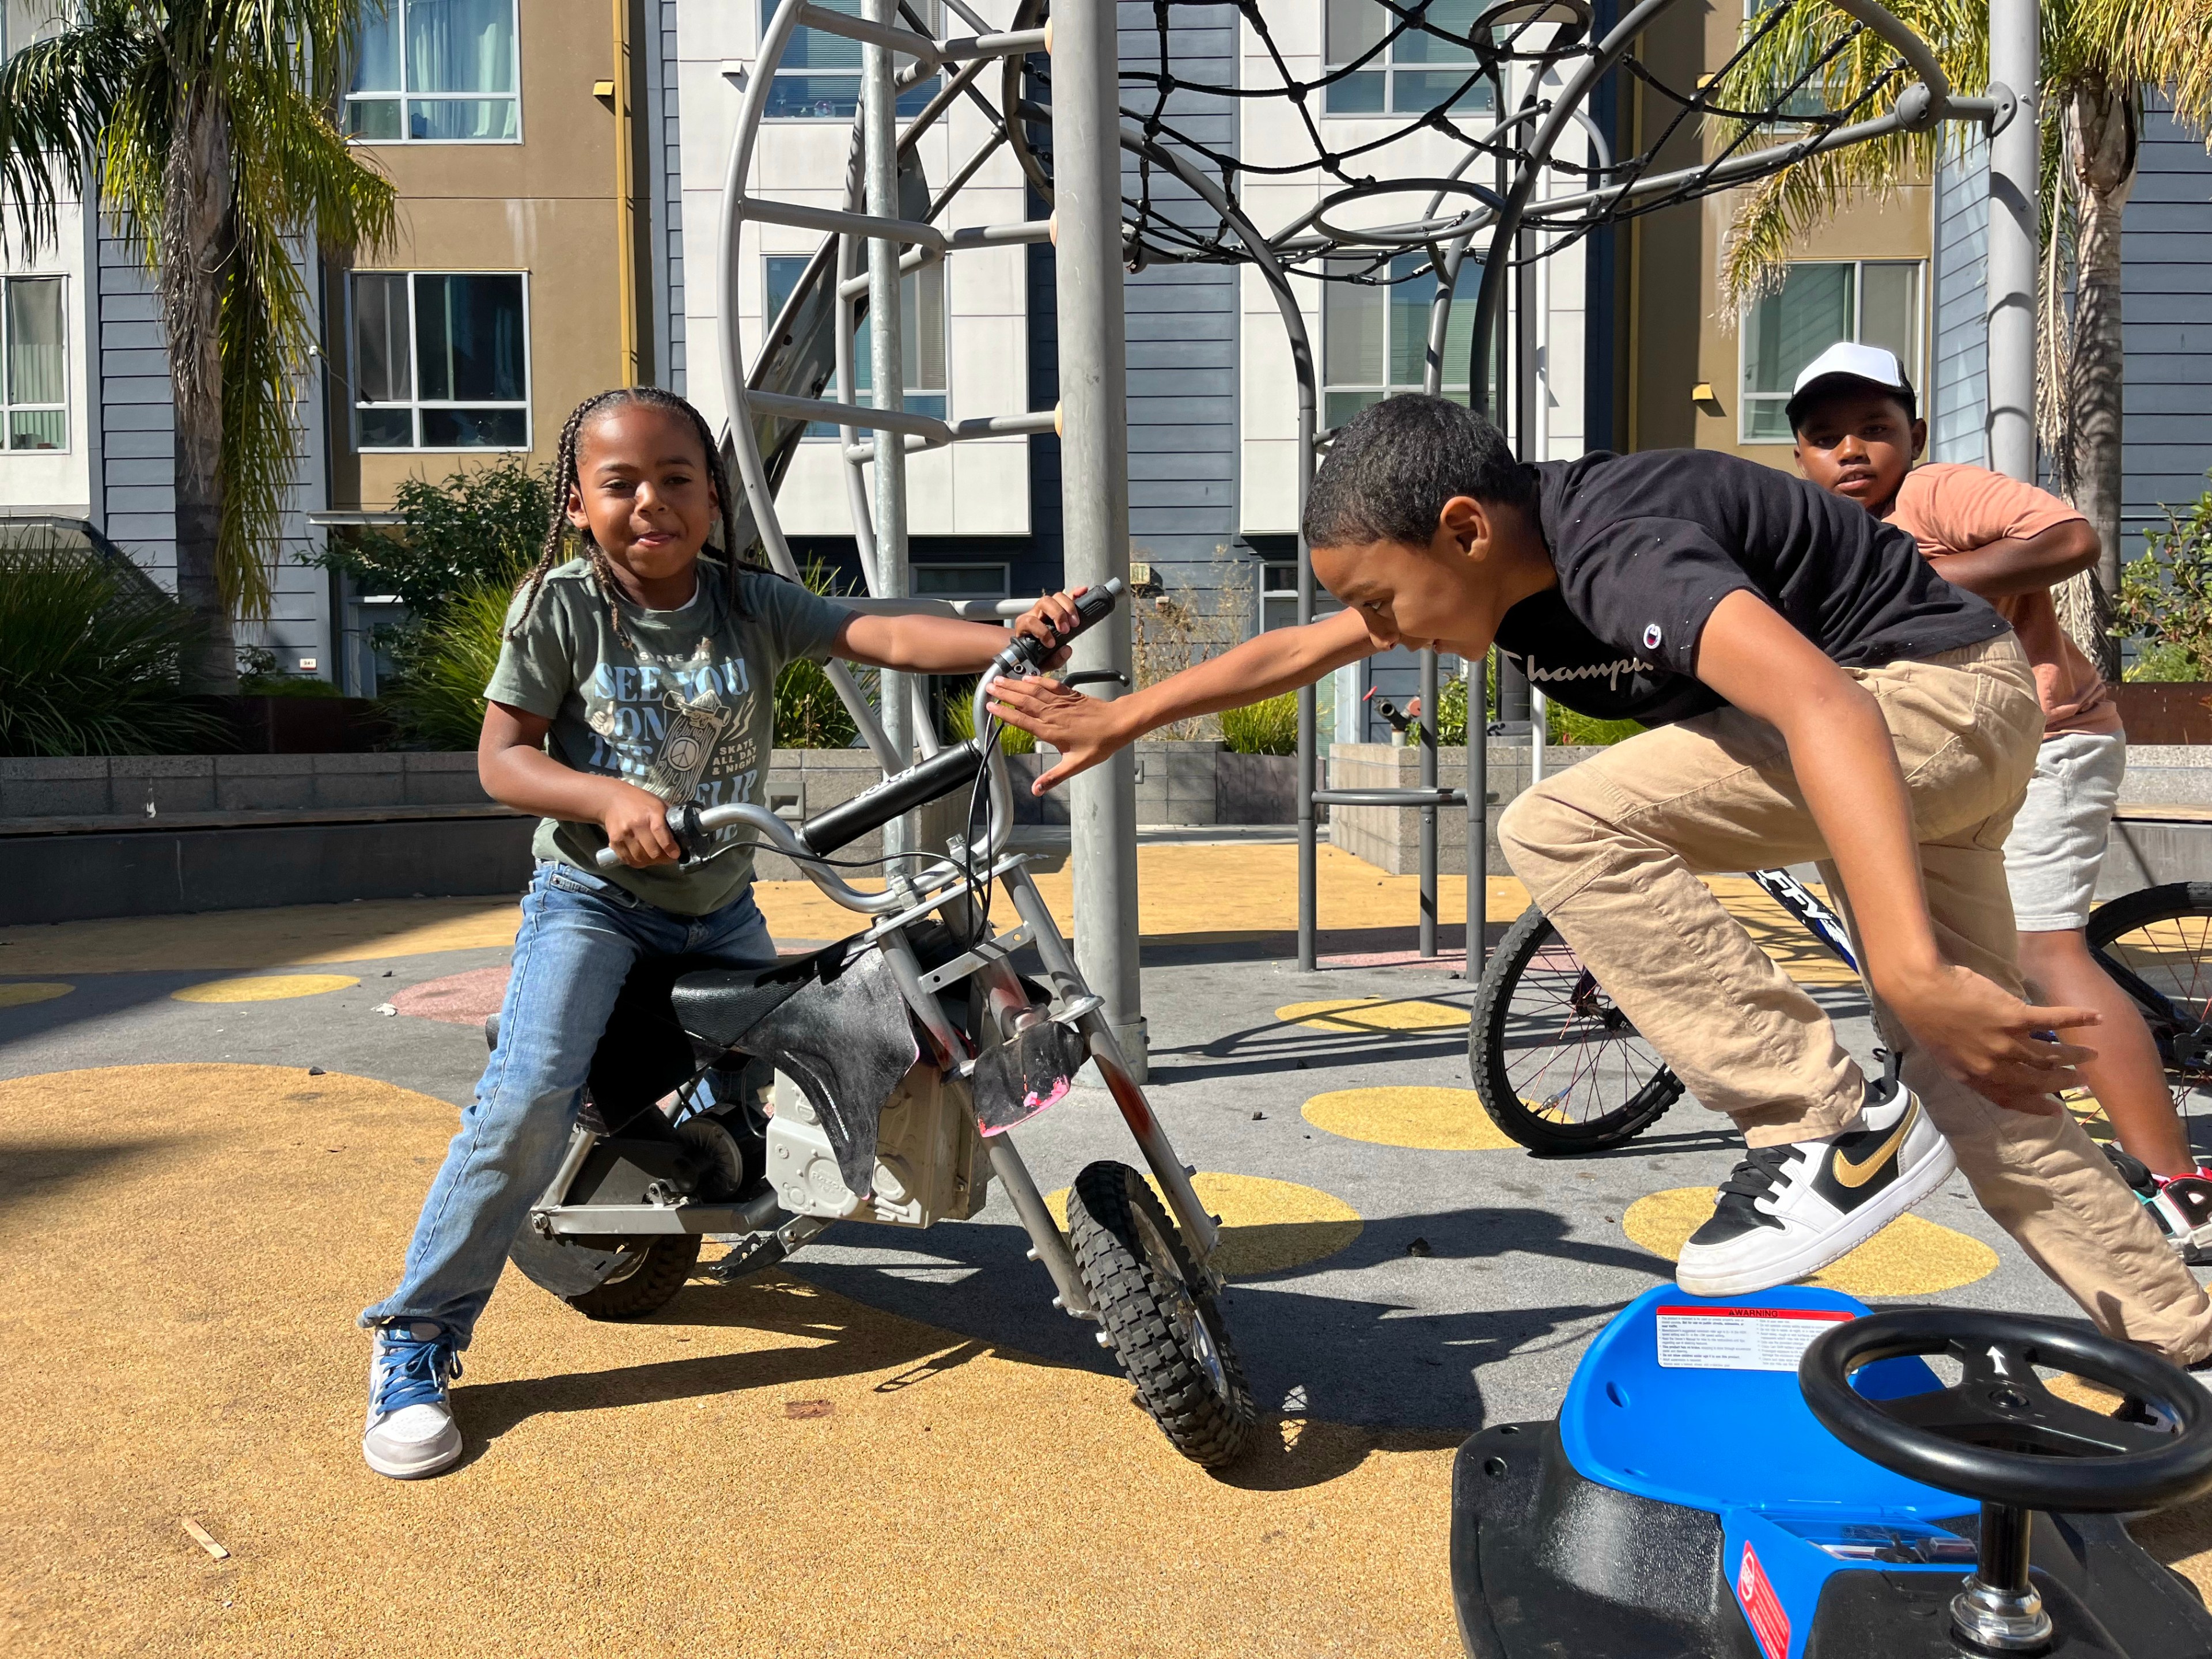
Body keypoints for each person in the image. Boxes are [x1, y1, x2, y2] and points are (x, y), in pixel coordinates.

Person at [990, 392, 2212, 1368]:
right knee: (1982, 1087)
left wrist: (1899, 965)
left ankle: (1821, 1121)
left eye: (1384, 599)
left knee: (1565, 821)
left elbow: (1820, 699)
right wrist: (1128, 715)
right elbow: (1300, 647)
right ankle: (2184, 1342)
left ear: (1464, 528)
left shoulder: (1618, 546)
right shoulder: (1499, 569)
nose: (1384, 630)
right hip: (1945, 724)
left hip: (1915, 704)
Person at [359, 385, 1083, 1480]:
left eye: (677, 479)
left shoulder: (748, 603)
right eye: (622, 483)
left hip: (720, 902)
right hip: (592, 900)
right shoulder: (561, 609)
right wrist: (604, 800)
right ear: (578, 503)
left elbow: (874, 627)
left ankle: (704, 1143)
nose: (652, 501)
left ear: (713, 496)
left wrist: (1005, 637)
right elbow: (502, 759)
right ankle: (418, 1338)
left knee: (804, 1050)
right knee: (525, 1097)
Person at [1787, 342, 2212, 1263]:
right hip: (1948, 763)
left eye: (1875, 428)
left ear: (1916, 436)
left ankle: (2182, 1188)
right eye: (1826, 437)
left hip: (2052, 739)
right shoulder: (1811, 541)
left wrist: (1918, 582)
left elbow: (2070, 540)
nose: (1852, 450)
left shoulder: (1935, 497)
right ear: (1800, 460)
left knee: (2038, 953)